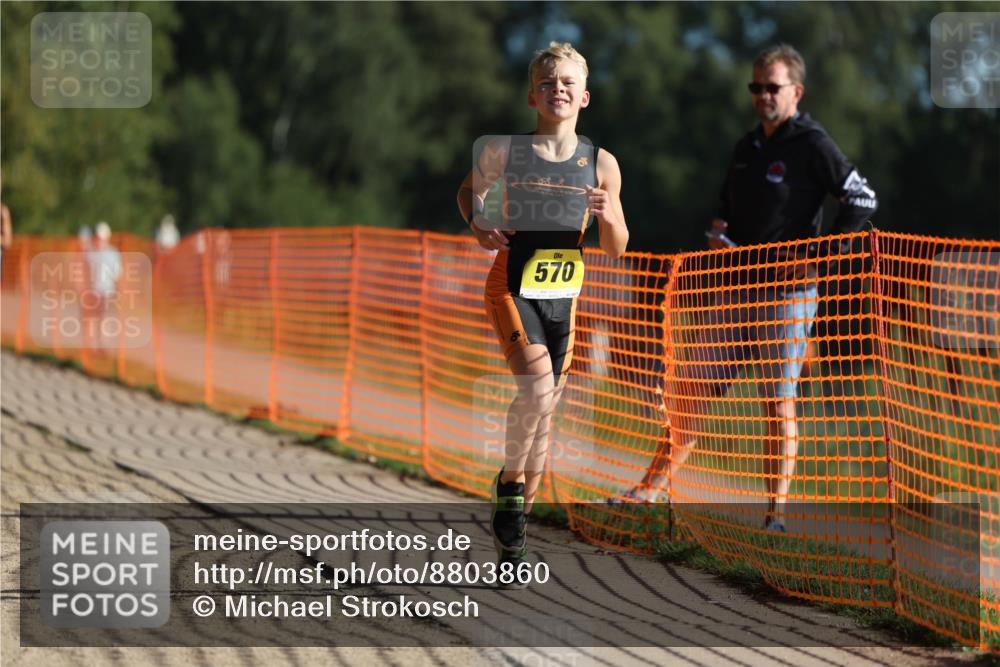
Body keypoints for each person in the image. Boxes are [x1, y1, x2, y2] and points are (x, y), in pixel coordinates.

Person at [612, 44, 877, 533]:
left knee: (776, 403)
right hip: (733, 291)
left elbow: (862, 199)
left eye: (771, 87)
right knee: (690, 393)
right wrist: (718, 232)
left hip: (786, 297)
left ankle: (775, 516)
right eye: (755, 87)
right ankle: (648, 490)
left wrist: (814, 258)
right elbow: (725, 207)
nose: (761, 96)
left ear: (796, 91)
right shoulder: (747, 147)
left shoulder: (814, 143)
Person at [457, 42, 628, 582]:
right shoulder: (505, 151)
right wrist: (479, 223)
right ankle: (509, 483)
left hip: (563, 301)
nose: (559, 89)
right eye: (548, 82)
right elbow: (469, 194)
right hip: (511, 286)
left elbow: (619, 245)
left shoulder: (601, 163)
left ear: (585, 96)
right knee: (534, 390)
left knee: (544, 416)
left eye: (568, 82)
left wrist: (606, 216)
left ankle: (516, 531)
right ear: (533, 94)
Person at [84, 221, 122, 350]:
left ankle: (101, 344)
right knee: (90, 317)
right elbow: (84, 270)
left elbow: (117, 274)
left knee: (103, 317)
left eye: (101, 238)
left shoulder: (113, 253)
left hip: (106, 290)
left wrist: (119, 290)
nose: (98, 240)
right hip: (90, 290)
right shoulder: (89, 252)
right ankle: (88, 345)